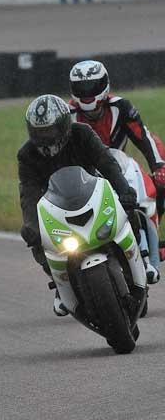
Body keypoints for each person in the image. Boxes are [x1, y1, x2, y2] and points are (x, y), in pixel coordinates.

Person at [18, 94, 138, 315]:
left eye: (50, 130)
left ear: (64, 125)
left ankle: (135, 267)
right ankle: (60, 284)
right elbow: (28, 192)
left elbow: (106, 162)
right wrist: (31, 225)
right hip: (55, 209)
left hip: (92, 194)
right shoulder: (27, 155)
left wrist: (124, 190)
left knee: (130, 212)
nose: (45, 137)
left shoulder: (82, 134)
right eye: (39, 131)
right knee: (36, 241)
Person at [69, 60, 165, 188]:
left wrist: (158, 167)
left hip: (120, 172)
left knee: (160, 181)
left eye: (92, 86)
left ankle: (158, 207)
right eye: (81, 89)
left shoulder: (121, 107)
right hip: (82, 179)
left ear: (104, 84)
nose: (87, 94)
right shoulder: (67, 114)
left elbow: (144, 138)